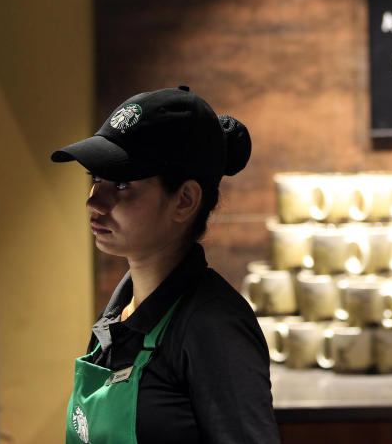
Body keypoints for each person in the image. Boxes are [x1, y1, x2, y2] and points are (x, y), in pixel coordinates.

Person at [51, 85, 280, 444]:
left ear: (184, 200)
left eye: (123, 183)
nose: (95, 200)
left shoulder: (213, 326)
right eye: (96, 178)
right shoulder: (120, 312)